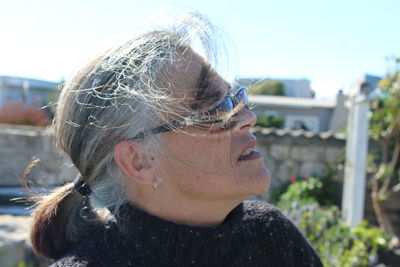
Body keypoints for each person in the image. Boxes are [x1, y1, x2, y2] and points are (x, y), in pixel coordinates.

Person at [30, 12, 323, 267]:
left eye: (236, 97)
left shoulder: (272, 238)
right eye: (212, 109)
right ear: (139, 161)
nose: (247, 118)